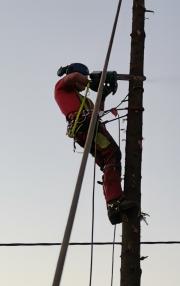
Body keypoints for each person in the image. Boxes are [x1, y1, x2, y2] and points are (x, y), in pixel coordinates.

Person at [54, 62, 136, 225]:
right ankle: (114, 202)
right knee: (112, 155)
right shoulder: (61, 87)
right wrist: (93, 80)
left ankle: (113, 205)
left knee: (109, 160)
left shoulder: (85, 101)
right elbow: (75, 78)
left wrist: (103, 94)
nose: (83, 81)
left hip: (89, 125)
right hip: (83, 125)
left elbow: (97, 112)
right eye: (82, 76)